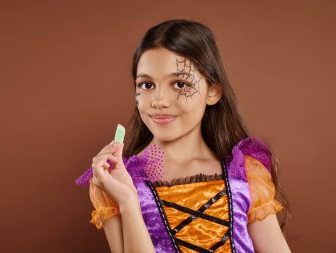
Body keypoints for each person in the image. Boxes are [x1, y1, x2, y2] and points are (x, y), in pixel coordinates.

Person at [76, 19, 291, 253]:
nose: (159, 101)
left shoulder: (245, 173)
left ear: (213, 91)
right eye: (147, 85)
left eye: (179, 84)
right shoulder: (114, 181)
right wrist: (128, 202)